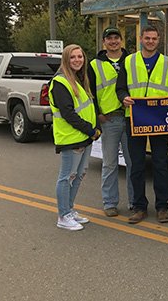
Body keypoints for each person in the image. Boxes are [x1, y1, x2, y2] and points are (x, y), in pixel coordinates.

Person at [116, 25, 168, 224]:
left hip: (159, 120)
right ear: (141, 39)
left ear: (158, 40)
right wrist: (124, 98)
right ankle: (139, 207)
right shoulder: (129, 61)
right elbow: (120, 88)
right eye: (147, 38)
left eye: (154, 38)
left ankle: (162, 207)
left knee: (160, 164)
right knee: (137, 165)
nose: (150, 41)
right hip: (134, 117)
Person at [50, 44, 100, 231]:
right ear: (65, 60)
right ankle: (63, 215)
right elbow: (68, 113)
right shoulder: (60, 82)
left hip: (84, 137)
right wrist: (90, 130)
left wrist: (94, 129)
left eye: (80, 56)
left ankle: (69, 210)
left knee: (78, 176)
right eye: (73, 57)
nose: (77, 60)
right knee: (67, 177)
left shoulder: (79, 79)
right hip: (71, 138)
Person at [87, 26, 133, 217]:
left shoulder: (132, 61)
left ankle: (134, 202)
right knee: (110, 164)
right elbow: (89, 92)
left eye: (116, 38)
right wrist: (98, 114)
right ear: (104, 42)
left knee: (134, 163)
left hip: (132, 118)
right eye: (109, 38)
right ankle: (110, 202)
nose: (113, 41)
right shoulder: (94, 64)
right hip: (110, 119)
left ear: (121, 41)